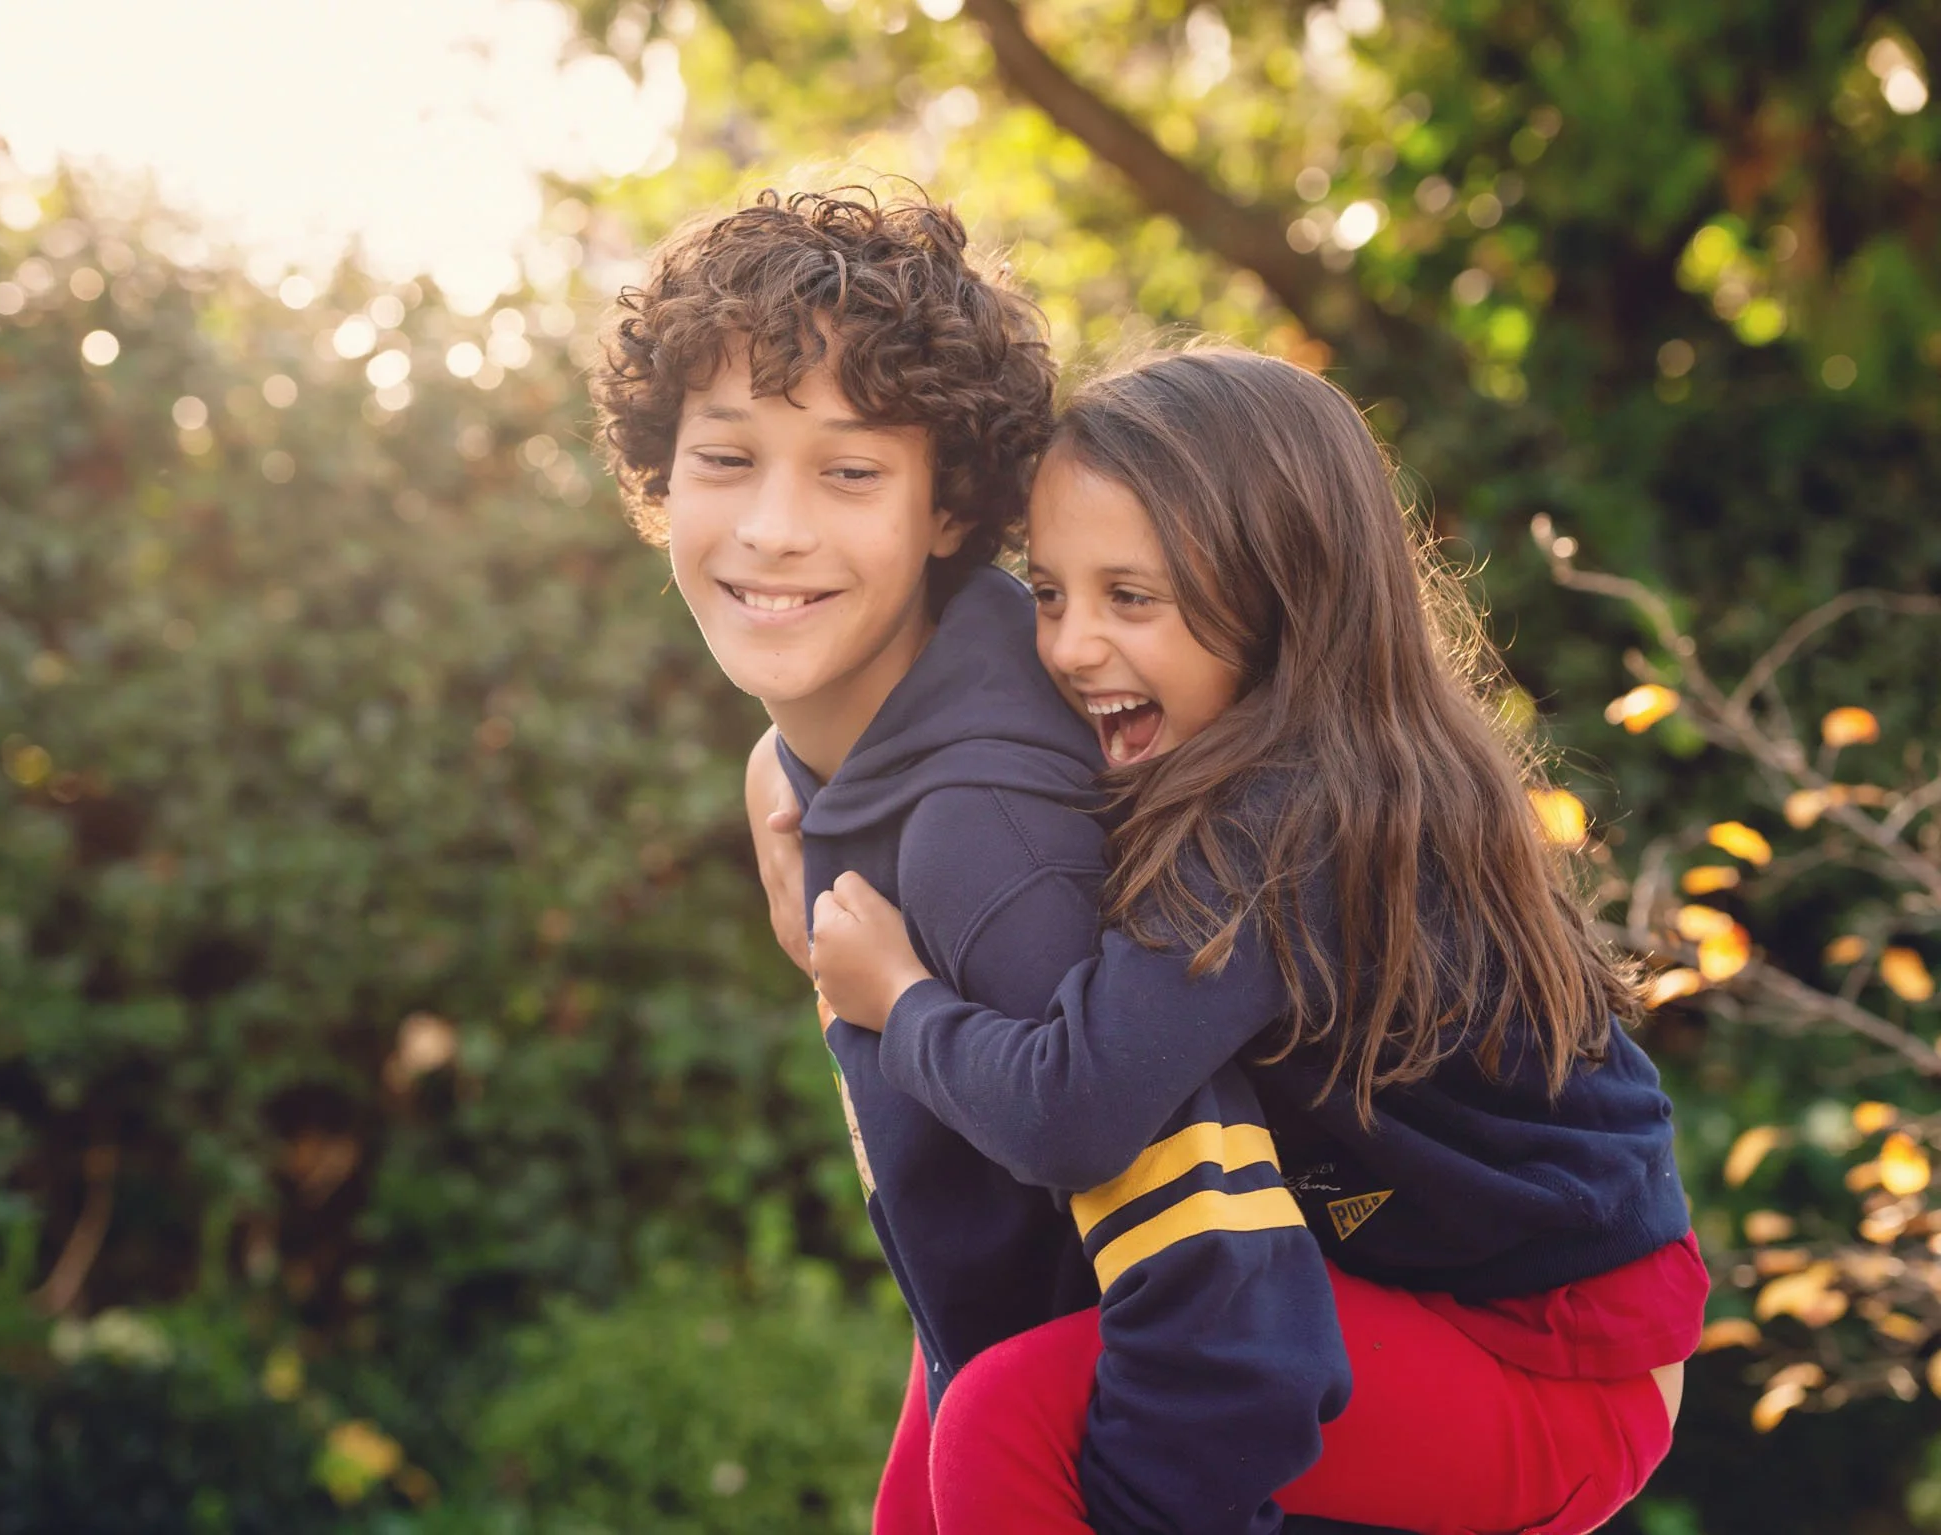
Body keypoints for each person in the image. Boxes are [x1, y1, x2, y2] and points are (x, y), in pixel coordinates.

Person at [597, 189, 1395, 1535]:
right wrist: (782, 771)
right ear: (658, 479)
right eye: (726, 460)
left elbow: (1226, 1289)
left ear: (952, 508)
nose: (775, 528)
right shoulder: (879, 729)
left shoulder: (988, 839)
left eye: (850, 472)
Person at [807, 346, 1709, 1535]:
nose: (1071, 644)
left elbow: (1073, 1108)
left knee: (1014, 1415)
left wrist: (900, 999)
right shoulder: (1226, 758)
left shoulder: (1296, 818)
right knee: (947, 1407)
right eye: (1048, 591)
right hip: (1406, 1283)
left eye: (1131, 597)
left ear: (1284, 599)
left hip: (1558, 1362)